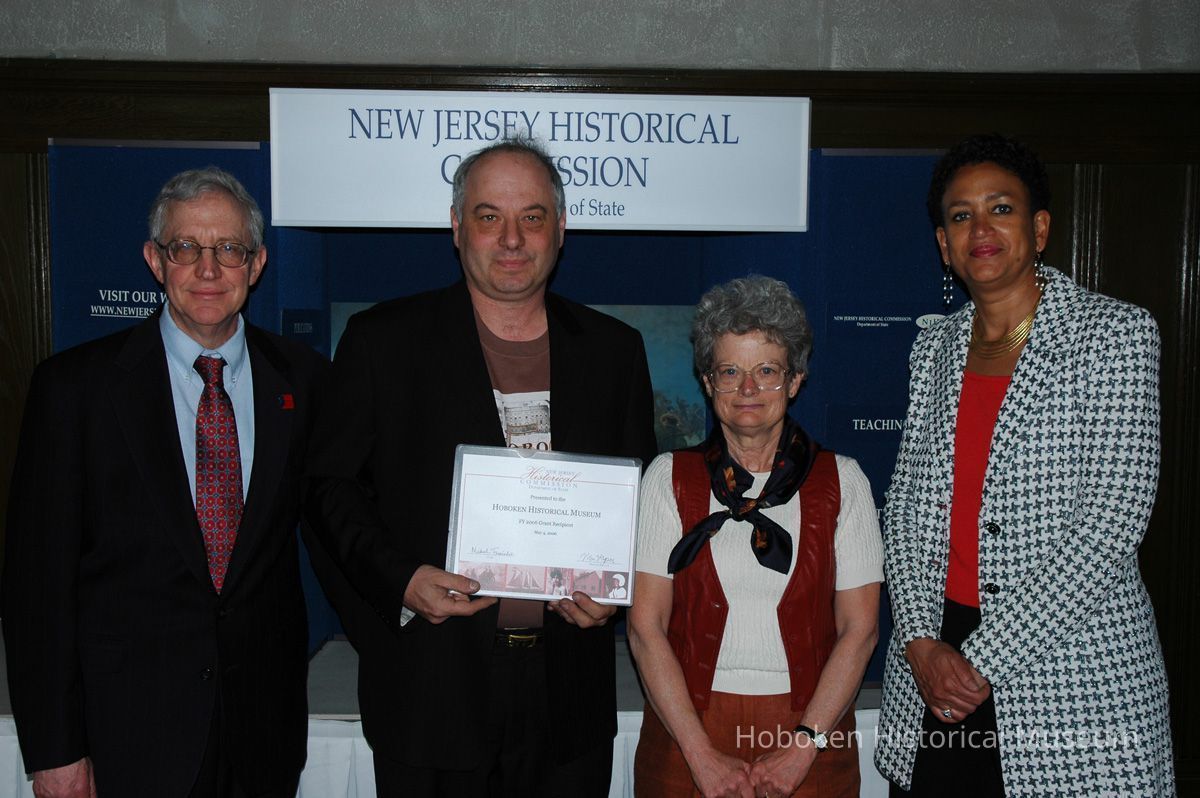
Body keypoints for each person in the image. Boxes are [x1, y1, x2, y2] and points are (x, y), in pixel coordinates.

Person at [303, 137, 657, 796]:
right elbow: (329, 488)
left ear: (561, 229)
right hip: (431, 693)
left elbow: (645, 499)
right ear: (457, 227)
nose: (512, 238)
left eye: (533, 216)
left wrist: (615, 590)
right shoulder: (384, 342)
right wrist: (401, 580)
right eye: (490, 216)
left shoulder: (614, 352)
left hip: (568, 696)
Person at [2, 167, 327, 798]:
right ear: (155, 260)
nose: (209, 270)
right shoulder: (75, 391)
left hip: (261, 735)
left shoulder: (305, 381)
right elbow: (36, 589)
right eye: (186, 248)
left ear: (256, 264)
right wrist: (55, 749)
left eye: (229, 249)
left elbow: (337, 523)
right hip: (127, 737)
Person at [875, 134, 1175, 796]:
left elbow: (1109, 527)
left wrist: (975, 662)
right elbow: (903, 507)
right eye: (960, 216)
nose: (980, 228)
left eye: (1000, 208)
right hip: (933, 659)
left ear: (1039, 229)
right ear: (943, 245)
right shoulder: (933, 349)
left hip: (1064, 663)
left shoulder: (1114, 336)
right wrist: (922, 644)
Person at [629, 275, 883, 798]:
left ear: (795, 380)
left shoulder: (844, 481)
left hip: (811, 732)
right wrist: (699, 755)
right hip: (686, 729)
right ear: (706, 381)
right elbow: (645, 627)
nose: (748, 389)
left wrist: (802, 748)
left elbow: (860, 631)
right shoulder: (667, 478)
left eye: (767, 370)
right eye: (730, 371)